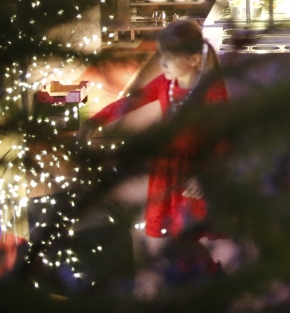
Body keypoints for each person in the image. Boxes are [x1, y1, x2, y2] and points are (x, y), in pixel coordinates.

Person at [81, 20, 228, 243]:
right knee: (172, 229)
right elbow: (130, 102)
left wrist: (204, 174)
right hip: (168, 162)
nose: (163, 63)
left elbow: (221, 134)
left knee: (196, 225)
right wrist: (95, 121)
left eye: (170, 57)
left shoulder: (211, 90)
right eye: (162, 56)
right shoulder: (164, 84)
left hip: (198, 164)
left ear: (193, 60)